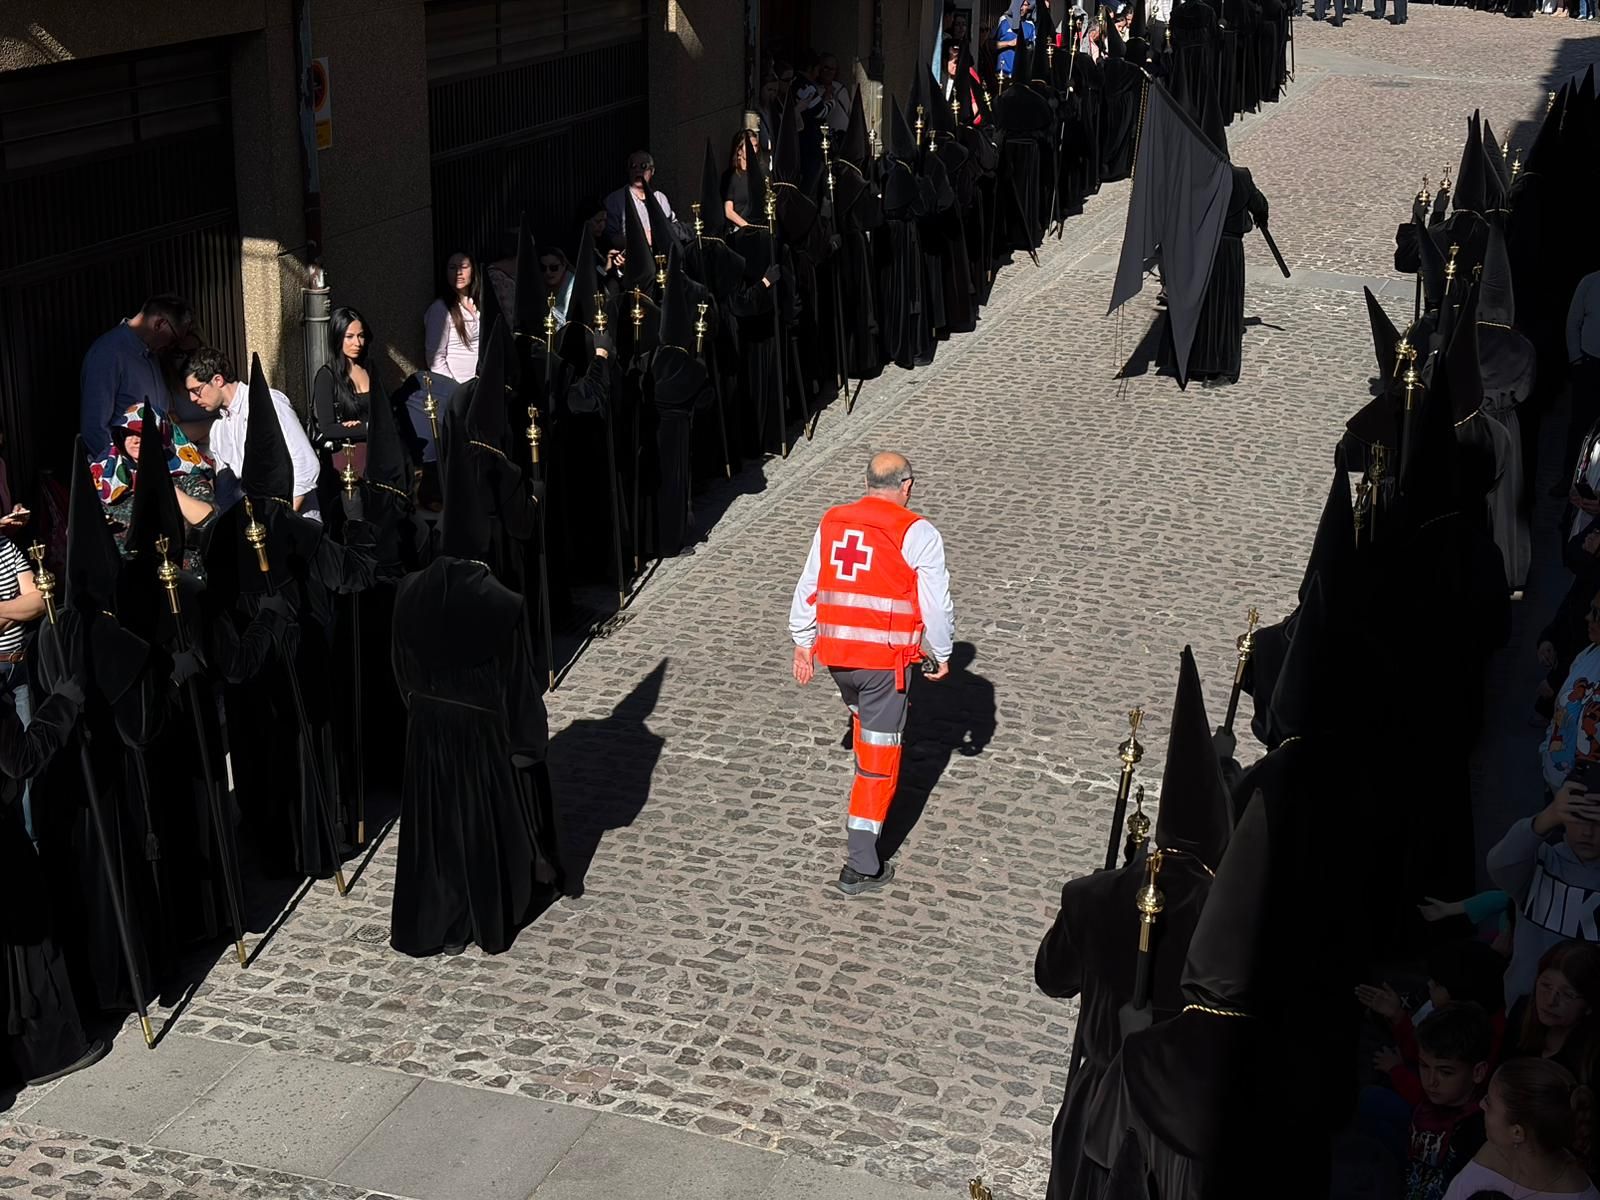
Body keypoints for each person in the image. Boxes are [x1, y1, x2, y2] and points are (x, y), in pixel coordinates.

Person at [390, 402, 565, 957]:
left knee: (436, 838)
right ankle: (480, 917)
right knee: (476, 832)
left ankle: (439, 923)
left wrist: (420, 712)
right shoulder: (499, 602)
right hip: (481, 739)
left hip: (425, 732)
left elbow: (401, 666)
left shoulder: (409, 590)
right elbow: (517, 686)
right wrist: (526, 749)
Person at [788, 452, 955, 894]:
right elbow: (935, 603)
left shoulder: (834, 520)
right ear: (907, 486)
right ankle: (862, 864)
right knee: (880, 764)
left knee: (865, 732)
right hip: (884, 663)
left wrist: (803, 643)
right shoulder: (916, 531)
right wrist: (941, 651)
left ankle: (864, 814)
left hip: (839, 659)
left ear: (867, 483)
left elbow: (810, 584)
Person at [1489, 781, 1600, 1005]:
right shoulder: (1540, 861)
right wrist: (1545, 819)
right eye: (1578, 817)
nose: (1587, 832)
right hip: (1526, 1010)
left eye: (1598, 822)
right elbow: (1498, 866)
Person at [184, 347, 321, 519]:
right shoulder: (219, 429)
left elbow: (306, 465)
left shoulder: (267, 402)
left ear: (218, 380)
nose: (192, 399)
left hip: (297, 525)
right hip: (256, 530)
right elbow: (227, 492)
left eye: (196, 390)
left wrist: (282, 519)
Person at [1441, 1058, 1600, 1200]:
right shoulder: (1492, 1151)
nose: (1481, 1104)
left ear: (1517, 1133)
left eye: (1489, 1102)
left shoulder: (1578, 1195)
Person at [79, 295, 193, 459]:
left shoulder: (151, 353)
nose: (171, 347)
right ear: (160, 324)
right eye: (173, 339)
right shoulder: (108, 353)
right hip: (127, 470)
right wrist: (122, 470)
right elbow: (94, 428)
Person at [1403, 1004, 1494, 1200]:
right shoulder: (1426, 1108)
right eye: (1424, 1066)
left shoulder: (1481, 1131)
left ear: (1478, 1072)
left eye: (1445, 1072)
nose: (1430, 1081)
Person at [1506, 942, 1600, 1085]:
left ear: (1589, 1005)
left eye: (1568, 994)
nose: (1550, 1001)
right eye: (1545, 985)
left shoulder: (1593, 1056)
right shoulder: (1521, 1011)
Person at [1542, 592, 1600, 794]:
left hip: (1587, 811)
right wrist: (1545, 752)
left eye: (1597, 613)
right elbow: (1560, 711)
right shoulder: (1588, 654)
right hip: (1556, 792)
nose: (1588, 617)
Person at [423, 252, 480, 385]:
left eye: (464, 267)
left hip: (482, 385)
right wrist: (455, 389)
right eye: (452, 268)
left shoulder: (478, 304)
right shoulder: (440, 309)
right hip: (459, 387)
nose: (459, 272)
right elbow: (435, 358)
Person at [604, 150, 677, 250]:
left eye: (643, 166)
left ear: (652, 171)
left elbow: (673, 228)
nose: (638, 171)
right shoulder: (615, 200)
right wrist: (640, 239)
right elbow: (610, 237)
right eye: (633, 166)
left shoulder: (661, 198)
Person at [1568, 270, 1600, 477]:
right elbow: (1573, 322)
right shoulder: (1590, 282)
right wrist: (1576, 359)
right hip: (1589, 364)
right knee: (1581, 423)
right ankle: (1569, 476)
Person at [723, 130, 758, 230]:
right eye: (750, 146)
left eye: (755, 146)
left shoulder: (761, 173)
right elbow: (728, 211)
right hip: (740, 228)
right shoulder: (732, 177)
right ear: (739, 151)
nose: (754, 150)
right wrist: (747, 226)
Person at [995, 0, 1036, 77]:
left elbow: (1034, 49)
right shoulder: (1004, 20)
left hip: (1021, 74)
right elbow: (991, 44)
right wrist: (1009, 43)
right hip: (1003, 73)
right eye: (1020, 5)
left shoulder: (1030, 25)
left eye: (1025, 5)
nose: (1021, 8)